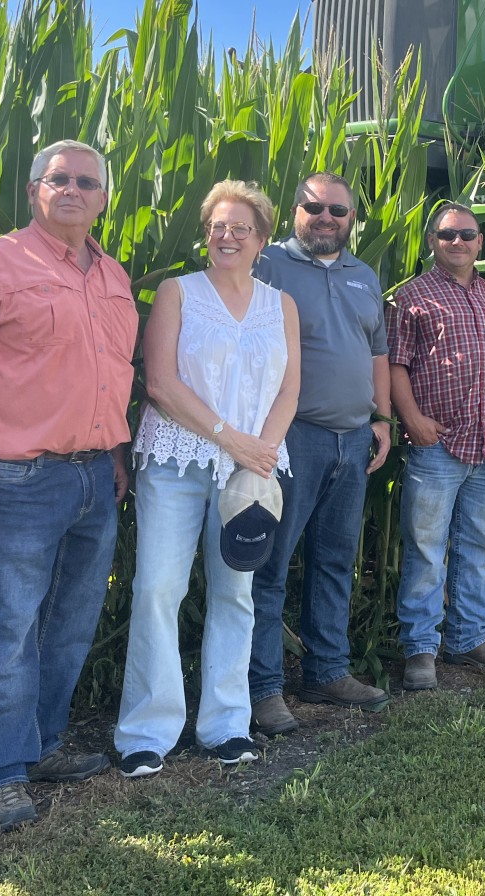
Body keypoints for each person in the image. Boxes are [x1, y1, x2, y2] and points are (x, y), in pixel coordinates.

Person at [0, 140, 138, 832]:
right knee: (8, 626)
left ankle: (41, 745)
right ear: (35, 189)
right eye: (57, 179)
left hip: (97, 474)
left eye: (86, 181)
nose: (71, 189)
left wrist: (119, 453)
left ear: (103, 198)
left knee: (69, 623)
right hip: (18, 476)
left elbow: (117, 370)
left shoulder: (115, 275)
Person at [114, 180, 300, 778]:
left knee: (235, 594)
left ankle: (225, 724)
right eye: (218, 226)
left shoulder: (281, 305)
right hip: (176, 461)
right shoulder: (178, 293)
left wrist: (262, 448)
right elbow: (161, 384)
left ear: (262, 239)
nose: (228, 236)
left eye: (241, 227)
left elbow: (290, 385)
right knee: (157, 590)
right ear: (206, 233)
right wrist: (232, 437)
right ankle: (147, 731)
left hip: (251, 472)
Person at [247, 173, 392, 736]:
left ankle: (327, 671)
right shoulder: (269, 267)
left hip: (352, 439)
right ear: (295, 211)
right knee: (270, 566)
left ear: (351, 217)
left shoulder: (364, 275)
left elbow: (377, 350)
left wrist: (380, 417)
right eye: (315, 207)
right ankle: (263, 689)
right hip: (290, 440)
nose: (326, 217)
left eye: (338, 209)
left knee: (334, 560)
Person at [388, 204, 485, 691]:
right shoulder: (412, 297)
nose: (458, 242)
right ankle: (421, 650)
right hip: (437, 444)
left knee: (481, 548)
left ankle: (469, 639)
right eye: (448, 234)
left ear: (479, 243)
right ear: (433, 240)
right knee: (427, 551)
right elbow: (396, 366)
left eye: (467, 234)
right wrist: (412, 420)